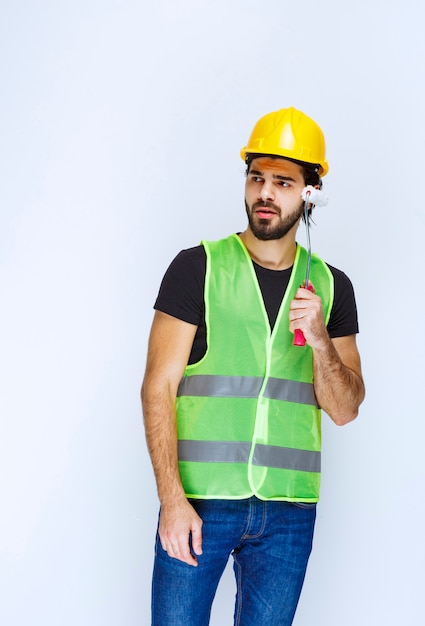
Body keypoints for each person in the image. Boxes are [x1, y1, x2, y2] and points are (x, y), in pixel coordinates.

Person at [141, 106, 365, 626]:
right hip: (200, 503)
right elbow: (158, 387)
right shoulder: (197, 267)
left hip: (288, 511)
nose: (265, 193)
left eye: (283, 182)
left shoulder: (332, 288)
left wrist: (319, 341)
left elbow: (345, 408)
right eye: (256, 177)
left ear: (310, 192)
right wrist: (172, 500)